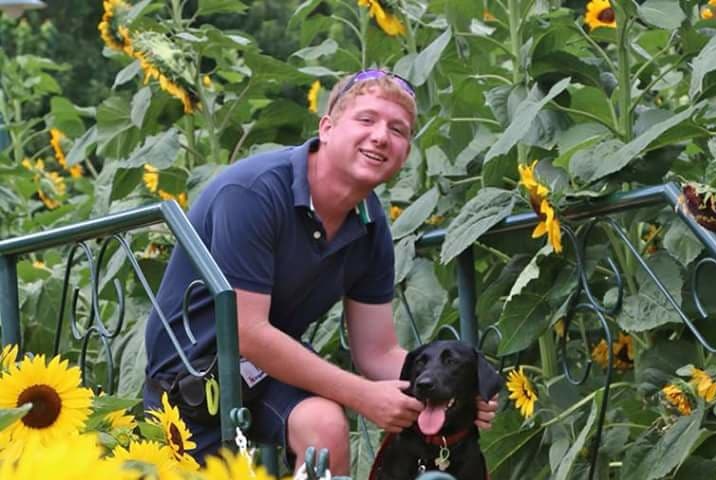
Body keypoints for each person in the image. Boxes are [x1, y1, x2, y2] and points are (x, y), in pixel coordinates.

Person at [144, 70, 498, 475]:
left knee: (326, 426)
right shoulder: (253, 192)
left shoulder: (370, 224)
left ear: (405, 151)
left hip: (266, 373)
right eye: (366, 120)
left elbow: (378, 352)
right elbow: (248, 332)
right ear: (326, 128)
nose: (381, 136)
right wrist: (362, 396)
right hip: (190, 380)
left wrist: (460, 393)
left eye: (397, 129)